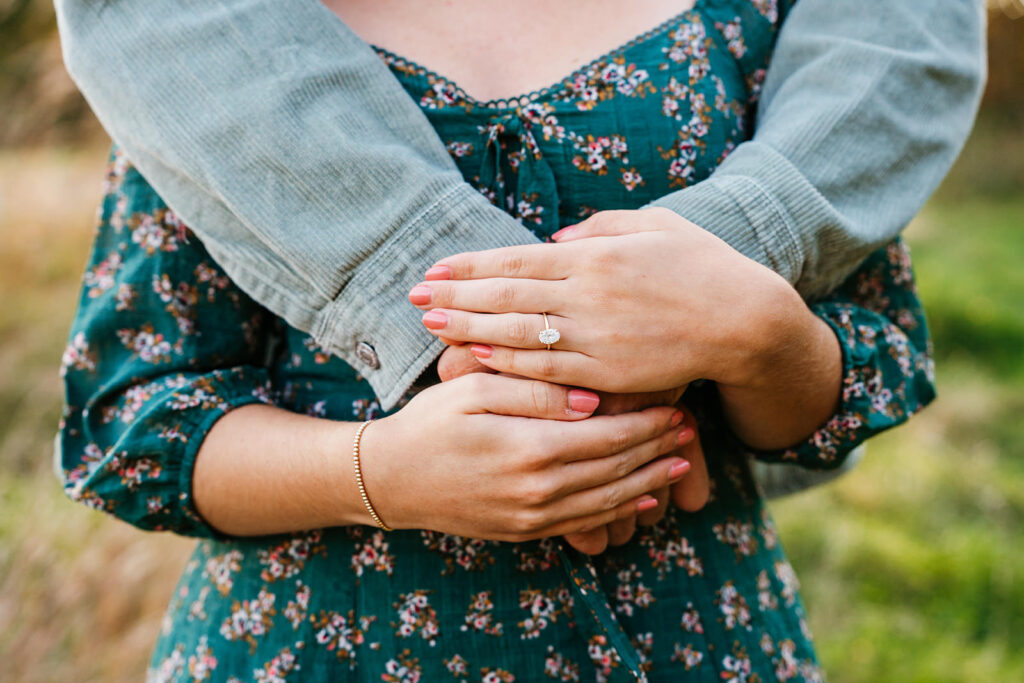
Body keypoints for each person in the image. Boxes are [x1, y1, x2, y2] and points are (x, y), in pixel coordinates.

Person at [57, 2, 962, 679]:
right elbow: (133, 419)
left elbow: (860, 368)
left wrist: (758, 335)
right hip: (319, 649)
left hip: (691, 640)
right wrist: (380, 474)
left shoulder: (769, 19)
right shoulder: (205, 35)